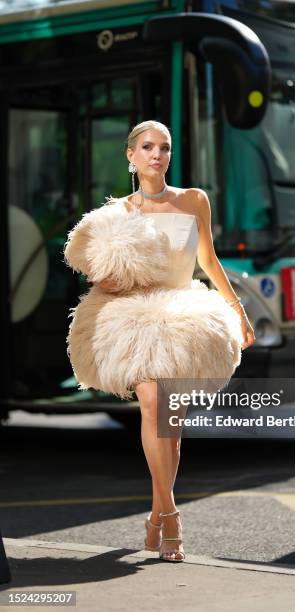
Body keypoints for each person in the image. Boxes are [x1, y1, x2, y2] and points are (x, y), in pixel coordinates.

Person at [65, 120, 255, 563]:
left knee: (171, 422)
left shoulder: (193, 200)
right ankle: (170, 516)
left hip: (185, 316)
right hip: (139, 319)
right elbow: (105, 275)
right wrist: (109, 276)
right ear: (130, 156)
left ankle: (156, 514)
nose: (157, 154)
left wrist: (238, 310)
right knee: (152, 403)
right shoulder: (117, 216)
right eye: (148, 147)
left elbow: (207, 259)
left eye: (164, 147)